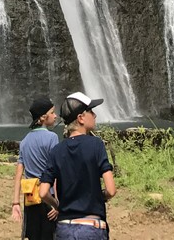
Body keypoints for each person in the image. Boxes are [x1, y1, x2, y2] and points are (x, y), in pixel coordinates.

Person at [39, 92, 116, 238]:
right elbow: (111, 190)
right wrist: (99, 196)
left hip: (64, 229)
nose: (94, 115)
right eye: (91, 111)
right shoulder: (96, 145)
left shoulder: (56, 150)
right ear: (80, 118)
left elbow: (43, 192)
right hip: (92, 228)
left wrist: (57, 205)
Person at [12, 96, 60, 239]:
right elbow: (55, 173)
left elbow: (19, 173)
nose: (56, 116)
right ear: (44, 117)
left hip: (30, 199)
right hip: (48, 198)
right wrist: (57, 203)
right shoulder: (52, 138)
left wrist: (15, 202)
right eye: (53, 113)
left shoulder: (24, 141)